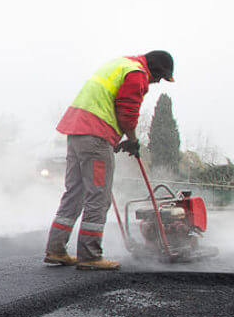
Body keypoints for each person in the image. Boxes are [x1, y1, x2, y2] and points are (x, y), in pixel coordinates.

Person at [44, 50, 174, 270]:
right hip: (95, 135)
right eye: (160, 77)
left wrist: (117, 139)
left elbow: (108, 105)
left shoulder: (122, 64)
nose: (157, 82)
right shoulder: (137, 74)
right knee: (98, 196)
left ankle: (56, 249)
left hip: (77, 132)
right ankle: (90, 255)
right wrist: (132, 140)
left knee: (74, 193)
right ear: (155, 70)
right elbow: (127, 113)